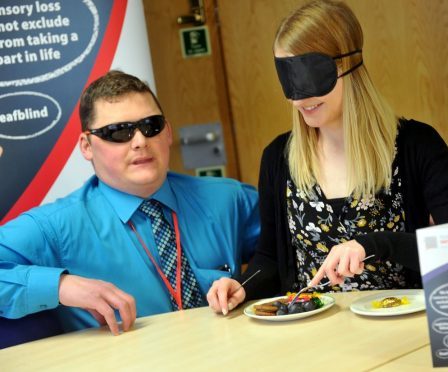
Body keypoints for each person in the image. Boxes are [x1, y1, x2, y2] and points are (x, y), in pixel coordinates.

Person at [206, 0, 448, 315]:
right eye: (287, 76)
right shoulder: (278, 159)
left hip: (400, 324)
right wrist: (243, 285)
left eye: (308, 74)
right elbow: (268, 258)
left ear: (347, 65)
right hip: (312, 334)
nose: (299, 97)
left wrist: (376, 245)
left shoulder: (417, 146)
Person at [0, 71, 260, 336]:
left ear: (168, 132)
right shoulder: (55, 227)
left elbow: (288, 250)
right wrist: (61, 286)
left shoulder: (229, 198)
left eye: (151, 126)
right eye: (118, 132)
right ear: (86, 146)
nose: (140, 142)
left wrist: (250, 285)